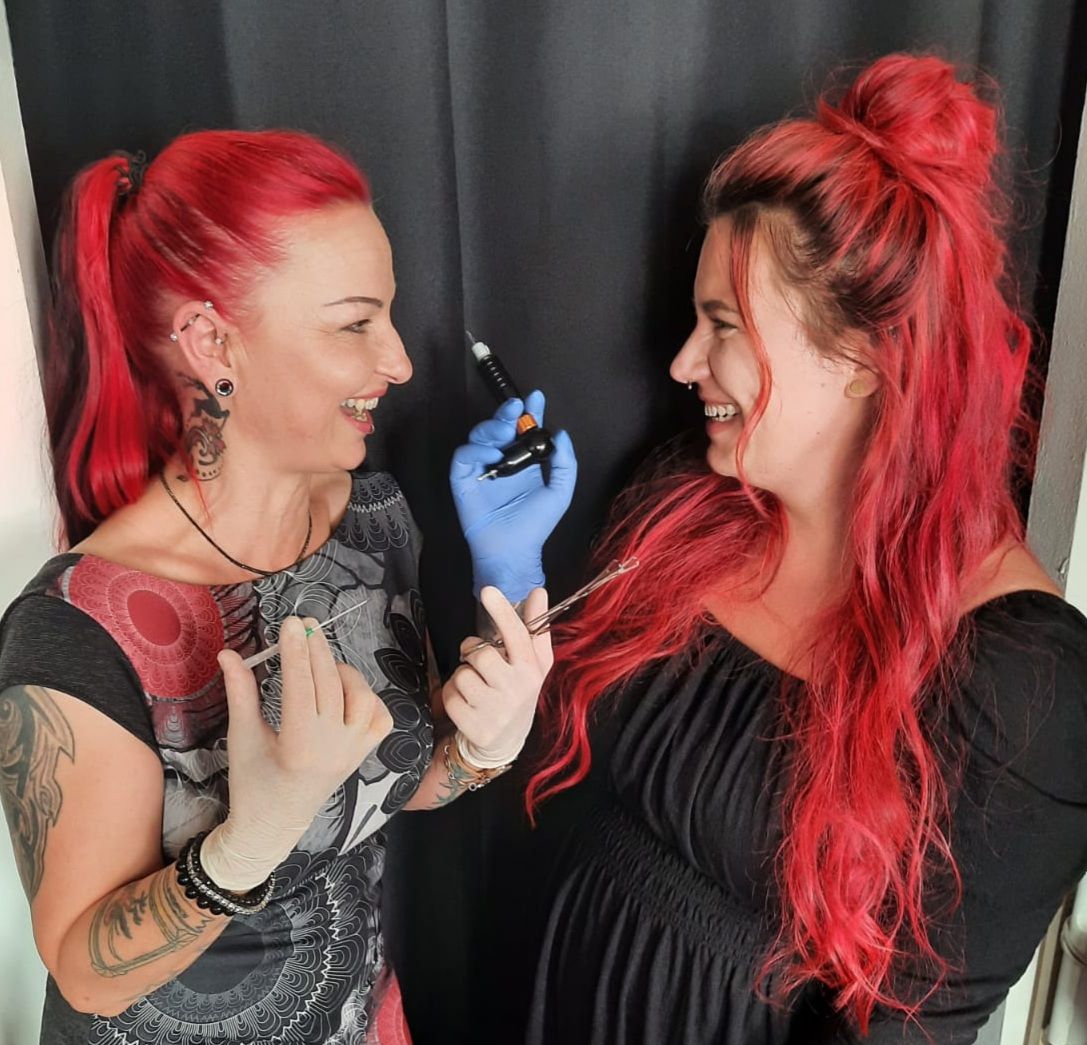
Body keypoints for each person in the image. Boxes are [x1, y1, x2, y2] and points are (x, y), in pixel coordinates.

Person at [522, 54, 1087, 1043]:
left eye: (721, 325)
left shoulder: (1025, 689)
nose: (682, 364)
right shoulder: (690, 506)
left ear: (867, 359)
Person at [0, 129, 574, 1044]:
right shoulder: (76, 625)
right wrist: (240, 847)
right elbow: (83, 969)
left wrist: (485, 739)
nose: (400, 362)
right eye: (355, 323)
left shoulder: (372, 521)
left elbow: (399, 781)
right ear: (209, 341)